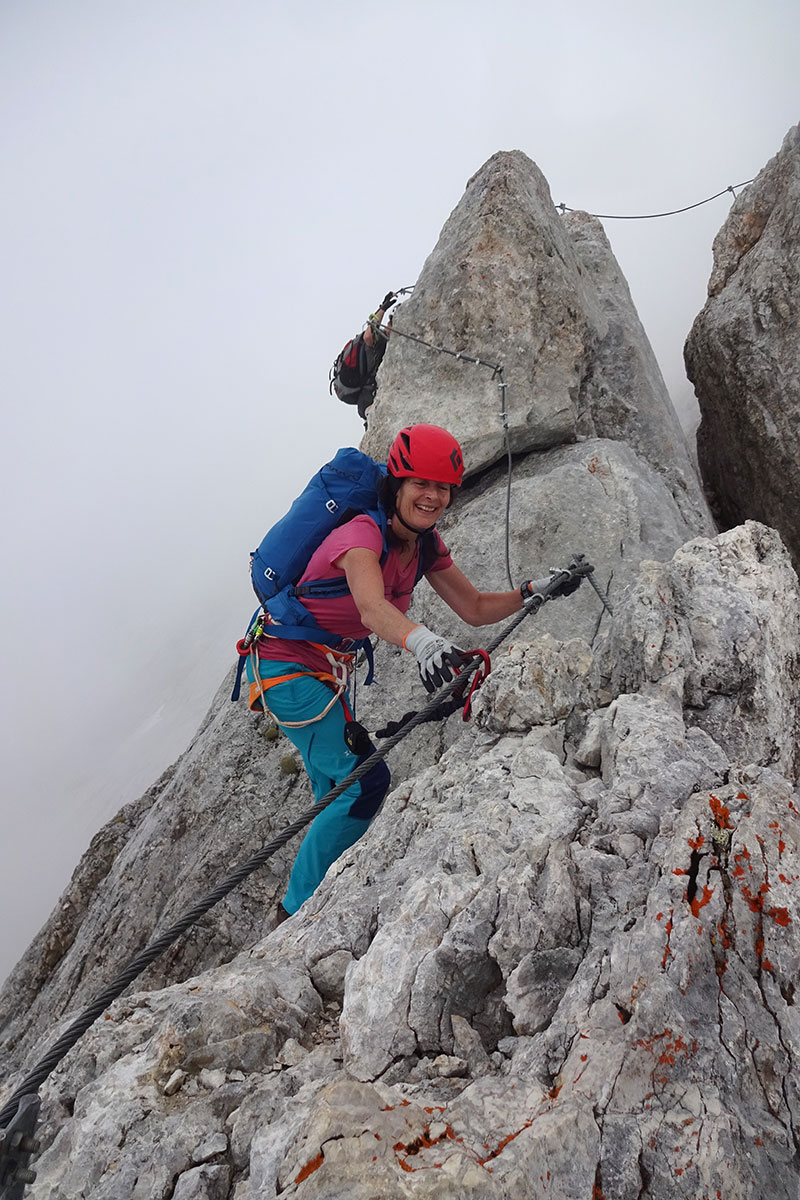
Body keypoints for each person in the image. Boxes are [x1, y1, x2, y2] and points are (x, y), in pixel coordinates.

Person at [246, 424, 569, 922]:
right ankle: (294, 913)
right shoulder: (360, 535)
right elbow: (372, 608)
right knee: (362, 784)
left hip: (324, 673)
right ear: (396, 483)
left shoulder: (424, 546)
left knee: (336, 790)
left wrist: (532, 591)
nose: (432, 496)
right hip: (288, 669)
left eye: (442, 487)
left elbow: (476, 607)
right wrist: (422, 642)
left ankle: (318, 891)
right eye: (421, 483)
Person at [331, 290, 397, 424]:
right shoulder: (380, 339)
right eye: (391, 324)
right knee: (370, 407)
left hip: (364, 389)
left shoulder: (385, 340)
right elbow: (369, 335)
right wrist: (382, 309)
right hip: (366, 393)